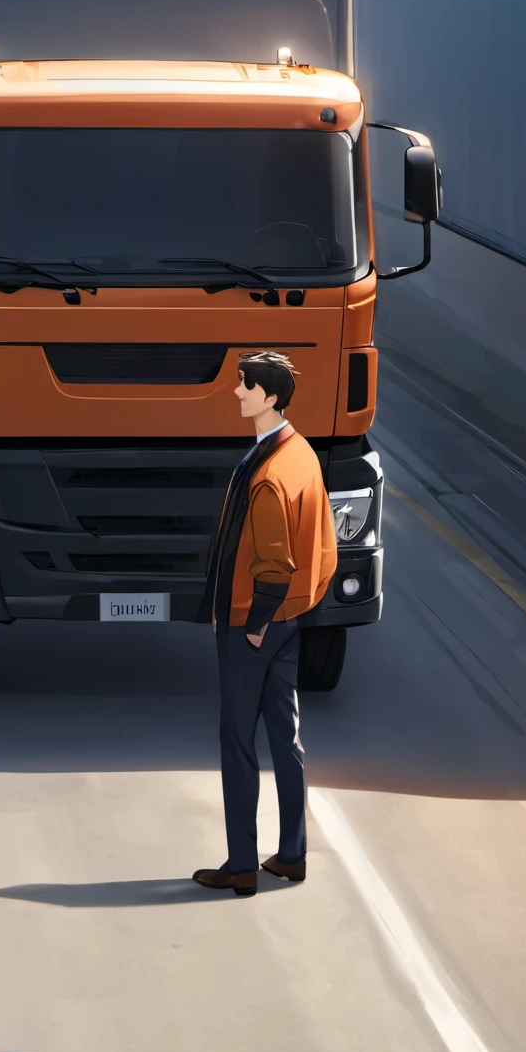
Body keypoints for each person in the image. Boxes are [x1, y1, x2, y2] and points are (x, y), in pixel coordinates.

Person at [193, 350, 337, 897]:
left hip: (252, 623)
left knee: (237, 741)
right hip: (290, 620)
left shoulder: (270, 477)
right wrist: (295, 608)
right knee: (286, 737)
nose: (237, 393)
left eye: (246, 386)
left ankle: (241, 864)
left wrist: (254, 623)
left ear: (271, 397)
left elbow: (274, 561)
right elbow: (322, 541)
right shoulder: (300, 454)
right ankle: (293, 855)